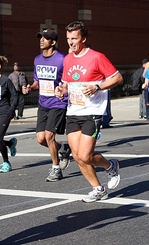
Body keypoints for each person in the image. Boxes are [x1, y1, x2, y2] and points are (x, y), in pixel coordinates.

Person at [54, 21, 122, 202]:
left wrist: (97, 86)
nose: (70, 42)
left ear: (83, 38)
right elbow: (67, 84)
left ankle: (110, 166)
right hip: (73, 111)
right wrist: (62, 91)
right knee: (77, 156)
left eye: (74, 38)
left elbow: (117, 78)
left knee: (85, 155)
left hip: (92, 111)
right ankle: (98, 189)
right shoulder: (67, 59)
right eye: (68, 38)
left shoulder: (97, 57)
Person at [25, 28, 71, 181]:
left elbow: (67, 81)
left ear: (53, 42)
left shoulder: (62, 59)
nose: (41, 40)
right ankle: (62, 149)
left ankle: (56, 169)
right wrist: (30, 87)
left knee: (49, 135)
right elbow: (37, 82)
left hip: (57, 102)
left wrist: (63, 90)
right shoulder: (37, 59)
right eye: (40, 37)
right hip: (43, 102)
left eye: (45, 38)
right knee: (40, 138)